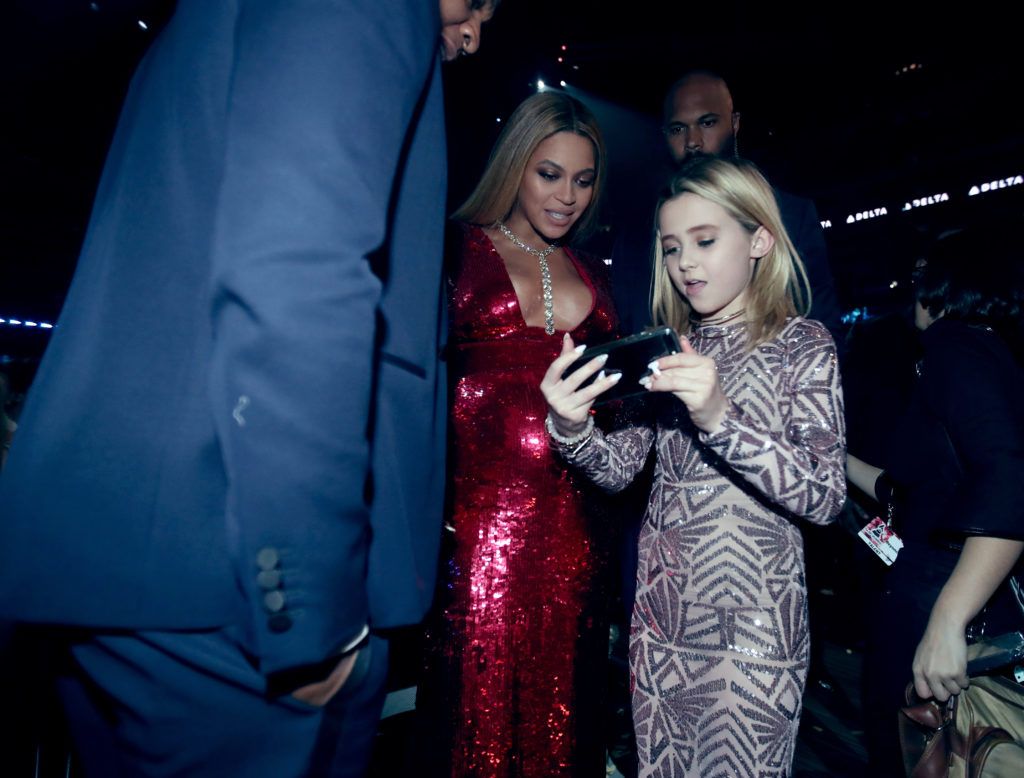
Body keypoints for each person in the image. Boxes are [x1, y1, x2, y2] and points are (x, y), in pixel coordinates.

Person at [0, 1, 495, 775]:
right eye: (479, 2)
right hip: (227, 598)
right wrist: (308, 614)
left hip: (150, 565)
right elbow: (298, 280)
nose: (472, 35)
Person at [542, 157, 846, 776]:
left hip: (757, 629)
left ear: (760, 239)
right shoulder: (669, 350)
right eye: (672, 246)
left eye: (705, 241)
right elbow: (622, 469)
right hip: (662, 623)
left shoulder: (802, 344)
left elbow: (825, 494)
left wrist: (719, 416)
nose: (685, 263)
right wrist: (573, 428)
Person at [416, 91, 617, 777]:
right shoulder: (455, 249)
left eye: (584, 180)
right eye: (549, 173)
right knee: (474, 725)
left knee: (565, 727)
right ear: (515, 166)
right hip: (478, 546)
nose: (568, 196)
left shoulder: (596, 274)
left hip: (575, 542)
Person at [847, 226, 1024, 775]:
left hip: (942, 598)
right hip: (945, 590)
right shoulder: (988, 354)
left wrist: (948, 622)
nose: (912, 291)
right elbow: (920, 492)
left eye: (922, 277)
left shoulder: (956, 349)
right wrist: (835, 460)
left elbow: (1010, 481)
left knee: (916, 754)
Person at [611, 70, 842, 344]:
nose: (692, 141)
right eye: (677, 129)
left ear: (734, 123)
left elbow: (825, 336)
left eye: (707, 123)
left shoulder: (790, 215)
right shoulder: (635, 239)